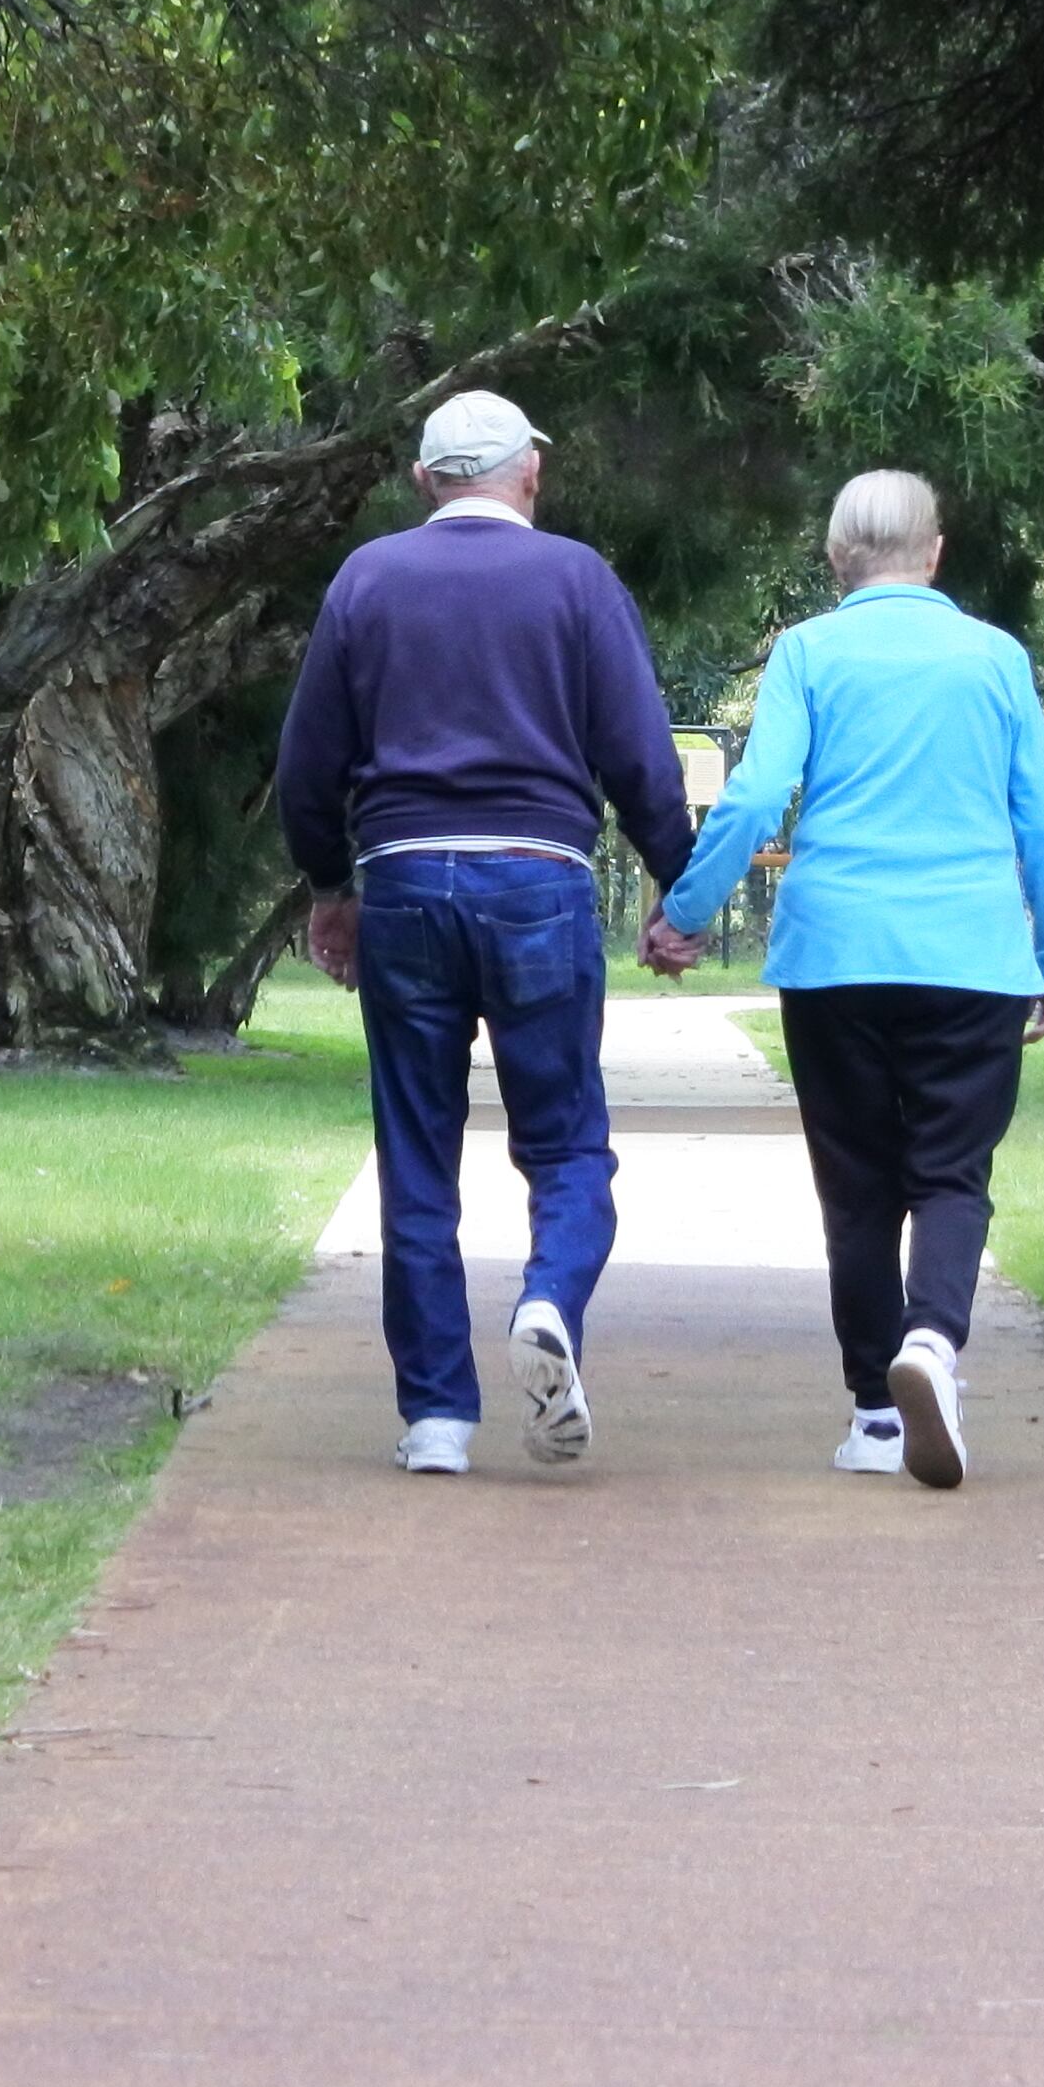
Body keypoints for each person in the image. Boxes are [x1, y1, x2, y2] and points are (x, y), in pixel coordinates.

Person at [275, 388, 699, 1476]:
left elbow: (306, 766)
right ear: (530, 473)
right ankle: (548, 1299)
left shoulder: (366, 580)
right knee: (564, 1145)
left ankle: (434, 1419)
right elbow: (641, 759)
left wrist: (331, 887)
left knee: (415, 1152)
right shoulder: (576, 580)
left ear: (424, 482)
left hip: (405, 883)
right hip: (538, 882)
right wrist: (674, 891)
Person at [648, 469, 1044, 1489]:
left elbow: (754, 796)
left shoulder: (807, 652)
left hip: (835, 956)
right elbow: (1043, 823)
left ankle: (876, 1416)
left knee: (856, 1192)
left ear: (836, 560)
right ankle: (931, 1339)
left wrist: (684, 910)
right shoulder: (992, 657)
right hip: (971, 956)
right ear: (934, 553)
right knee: (949, 1175)